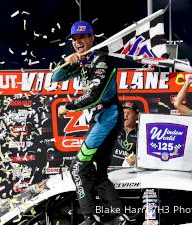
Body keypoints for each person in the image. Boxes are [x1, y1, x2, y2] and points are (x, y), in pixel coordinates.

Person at [52, 21, 130, 225]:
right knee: (97, 172)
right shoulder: (83, 60)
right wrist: (68, 61)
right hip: (100, 119)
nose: (78, 42)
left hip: (107, 118)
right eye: (74, 39)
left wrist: (67, 108)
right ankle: (119, 216)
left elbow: (95, 96)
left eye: (82, 37)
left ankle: (90, 218)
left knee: (78, 167)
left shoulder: (102, 60)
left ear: (92, 38)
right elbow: (56, 76)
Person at [110, 102, 139, 167]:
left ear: (136, 116)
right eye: (124, 112)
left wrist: (136, 160)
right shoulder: (113, 129)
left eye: (129, 113)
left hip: (132, 174)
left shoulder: (142, 132)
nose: (125, 115)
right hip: (112, 172)